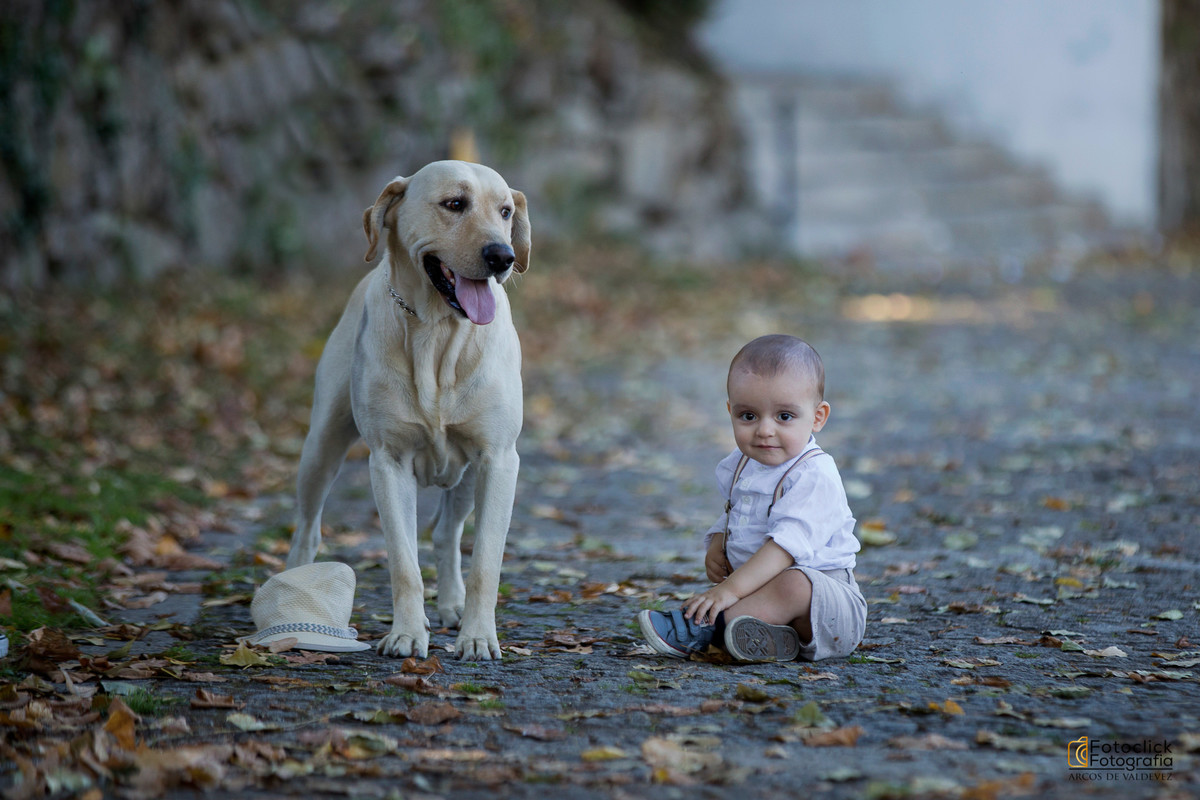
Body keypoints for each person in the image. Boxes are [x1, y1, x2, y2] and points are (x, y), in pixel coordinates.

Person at [638, 334, 866, 662]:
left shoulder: (814, 474)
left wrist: (727, 591)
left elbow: (785, 548)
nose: (764, 430)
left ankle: (708, 628)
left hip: (831, 610)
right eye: (748, 416)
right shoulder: (743, 462)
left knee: (794, 583)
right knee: (756, 591)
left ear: (817, 417)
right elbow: (739, 511)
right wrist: (719, 540)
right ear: (731, 411)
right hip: (765, 596)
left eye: (784, 416)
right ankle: (767, 638)